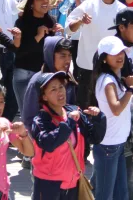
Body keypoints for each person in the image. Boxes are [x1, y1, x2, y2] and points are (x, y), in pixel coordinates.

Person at [31, 71, 106, 199]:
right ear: (44, 97)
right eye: (53, 89)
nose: (60, 92)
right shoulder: (41, 120)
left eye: (61, 87)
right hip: (48, 185)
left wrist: (99, 118)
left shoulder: (74, 111)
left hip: (73, 182)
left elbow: (94, 138)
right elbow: (49, 143)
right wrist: (69, 122)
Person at [92, 36, 133, 200]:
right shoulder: (108, 81)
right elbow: (116, 109)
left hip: (118, 143)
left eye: (121, 51)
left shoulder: (116, 79)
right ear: (104, 59)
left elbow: (121, 108)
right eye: (114, 53)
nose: (120, 55)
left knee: (120, 193)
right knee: (105, 195)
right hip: (108, 146)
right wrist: (130, 89)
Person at [67, 0, 125, 107]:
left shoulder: (122, 10)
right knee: (85, 108)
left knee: (106, 107)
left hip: (111, 68)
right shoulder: (88, 5)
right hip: (87, 66)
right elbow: (68, 29)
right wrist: (80, 21)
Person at [12, 0, 62, 117]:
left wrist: (59, 36)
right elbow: (20, 51)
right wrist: (38, 36)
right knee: (28, 115)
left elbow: (53, 50)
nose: (45, 1)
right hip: (24, 73)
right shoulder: (21, 22)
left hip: (44, 74)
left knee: (45, 114)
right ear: (31, 3)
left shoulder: (51, 21)